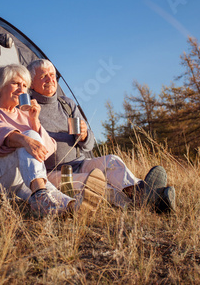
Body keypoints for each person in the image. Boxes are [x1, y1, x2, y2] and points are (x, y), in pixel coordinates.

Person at [27, 59, 176, 213]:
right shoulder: (27, 108)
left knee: (112, 160)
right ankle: (154, 201)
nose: (50, 79)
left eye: (52, 75)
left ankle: (141, 193)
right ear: (31, 82)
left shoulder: (66, 104)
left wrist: (84, 136)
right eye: (44, 76)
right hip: (54, 172)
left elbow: (89, 145)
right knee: (95, 185)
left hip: (79, 163)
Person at [0, 64, 75, 216]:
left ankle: (71, 206)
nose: (21, 90)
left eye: (25, 86)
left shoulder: (24, 116)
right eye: (16, 84)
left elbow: (47, 149)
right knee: (29, 139)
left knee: (51, 194)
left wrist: (34, 121)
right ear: (0, 85)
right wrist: (25, 140)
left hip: (21, 179)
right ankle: (40, 195)